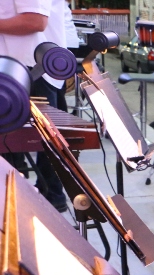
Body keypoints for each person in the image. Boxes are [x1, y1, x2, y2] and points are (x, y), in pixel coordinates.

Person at [0, 0, 69, 213]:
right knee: (12, 152)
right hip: (18, 68)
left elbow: (35, 21)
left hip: (29, 70)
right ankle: (21, 203)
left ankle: (42, 206)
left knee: (46, 143)